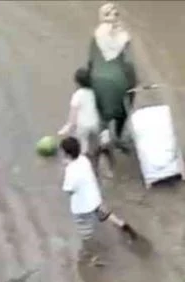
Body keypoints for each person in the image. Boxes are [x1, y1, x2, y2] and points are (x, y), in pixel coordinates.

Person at [60, 135, 135, 261]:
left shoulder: (70, 171)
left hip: (83, 208)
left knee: (85, 233)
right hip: (95, 199)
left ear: (67, 154)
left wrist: (67, 167)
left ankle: (91, 254)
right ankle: (122, 224)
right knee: (104, 213)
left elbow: (68, 190)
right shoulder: (84, 160)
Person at [88, 3, 137, 150]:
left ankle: (105, 138)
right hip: (118, 81)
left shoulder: (97, 35)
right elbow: (126, 61)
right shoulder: (122, 36)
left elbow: (91, 61)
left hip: (101, 80)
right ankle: (117, 137)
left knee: (103, 112)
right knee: (121, 112)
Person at [59, 68, 103, 166]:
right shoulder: (93, 92)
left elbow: (73, 114)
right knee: (95, 144)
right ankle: (97, 158)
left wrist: (68, 127)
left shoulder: (77, 95)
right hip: (95, 123)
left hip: (83, 125)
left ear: (78, 83)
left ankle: (84, 163)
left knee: (83, 147)